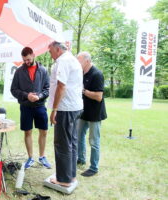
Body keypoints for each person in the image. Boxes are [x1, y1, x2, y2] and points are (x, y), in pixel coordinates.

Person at [48, 41, 83, 187]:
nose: (50, 55)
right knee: (71, 142)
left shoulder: (63, 61)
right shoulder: (73, 59)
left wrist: (54, 109)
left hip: (65, 108)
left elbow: (61, 86)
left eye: (50, 51)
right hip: (75, 107)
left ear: (57, 49)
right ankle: (71, 175)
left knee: (62, 144)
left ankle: (63, 179)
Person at [11, 47, 51, 169]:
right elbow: (13, 90)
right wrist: (26, 96)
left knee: (43, 131)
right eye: (24, 60)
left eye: (28, 59)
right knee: (27, 132)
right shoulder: (19, 71)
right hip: (25, 107)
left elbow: (47, 89)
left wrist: (39, 96)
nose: (26, 62)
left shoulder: (43, 70)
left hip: (40, 106)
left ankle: (42, 157)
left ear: (33, 55)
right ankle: (30, 158)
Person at [77, 52, 107, 177]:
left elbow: (99, 96)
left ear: (87, 61)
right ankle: (81, 159)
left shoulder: (97, 74)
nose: (77, 63)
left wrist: (83, 91)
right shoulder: (81, 73)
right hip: (83, 112)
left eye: (79, 60)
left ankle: (94, 167)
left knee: (94, 141)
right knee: (79, 137)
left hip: (95, 113)